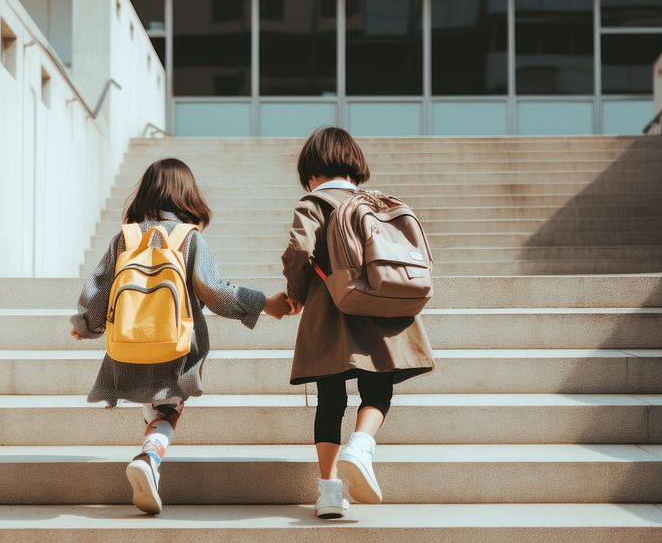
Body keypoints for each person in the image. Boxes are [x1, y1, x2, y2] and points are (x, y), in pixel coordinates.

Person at [70, 158, 294, 515]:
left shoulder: (125, 237)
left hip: (127, 344)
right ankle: (150, 457)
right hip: (176, 344)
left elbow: (100, 289)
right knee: (167, 407)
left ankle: (150, 456)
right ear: (189, 196)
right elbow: (215, 292)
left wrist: (85, 326)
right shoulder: (189, 239)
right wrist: (264, 303)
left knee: (154, 400)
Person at [282, 127, 435, 519]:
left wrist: (296, 293)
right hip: (382, 307)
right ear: (355, 166)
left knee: (330, 399)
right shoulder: (378, 204)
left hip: (332, 307)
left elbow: (299, 250)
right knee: (377, 389)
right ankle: (362, 444)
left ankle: (330, 492)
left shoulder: (314, 202)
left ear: (312, 171)